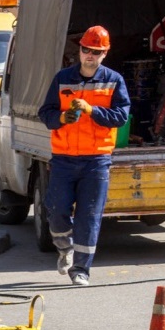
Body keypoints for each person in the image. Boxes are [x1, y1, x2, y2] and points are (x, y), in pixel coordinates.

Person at [37, 25, 130, 286]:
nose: (90, 55)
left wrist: (92, 110)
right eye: (86, 50)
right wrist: (61, 118)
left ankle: (80, 270)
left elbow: (121, 117)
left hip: (96, 160)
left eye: (96, 52)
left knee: (89, 217)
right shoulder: (62, 78)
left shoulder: (114, 80)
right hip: (64, 158)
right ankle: (64, 248)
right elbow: (46, 113)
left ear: (104, 54)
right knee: (56, 212)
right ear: (79, 50)